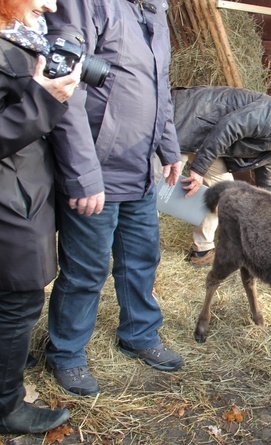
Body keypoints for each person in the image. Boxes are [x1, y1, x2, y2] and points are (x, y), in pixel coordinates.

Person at [43, 0, 184, 397]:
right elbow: (66, 90)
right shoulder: (89, 4)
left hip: (140, 170)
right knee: (86, 270)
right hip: (97, 171)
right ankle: (67, 354)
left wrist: (169, 148)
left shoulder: (156, 11)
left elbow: (161, 86)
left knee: (142, 259)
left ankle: (139, 333)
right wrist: (84, 175)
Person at [0, 0, 81, 433]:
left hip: (22, 192)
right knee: (18, 301)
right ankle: (7, 407)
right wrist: (42, 101)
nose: (51, 5)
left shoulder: (19, 40)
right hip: (9, 202)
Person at [171, 86, 271, 266]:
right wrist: (198, 170)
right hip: (186, 123)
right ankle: (139, 245)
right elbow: (228, 127)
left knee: (223, 195)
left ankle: (202, 251)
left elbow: (266, 186)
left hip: (207, 141)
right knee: (158, 185)